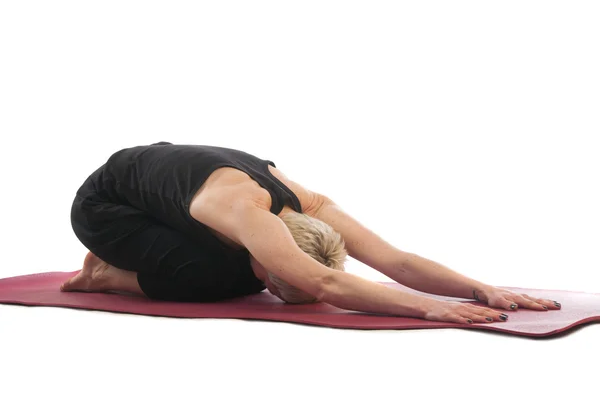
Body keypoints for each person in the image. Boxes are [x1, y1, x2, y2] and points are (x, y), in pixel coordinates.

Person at [63, 141, 561, 324]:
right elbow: (325, 285)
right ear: (271, 249)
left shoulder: (307, 205)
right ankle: (105, 276)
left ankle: (128, 266)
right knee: (225, 280)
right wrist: (429, 307)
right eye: (281, 283)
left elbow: (395, 261)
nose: (273, 290)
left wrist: (478, 288)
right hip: (109, 207)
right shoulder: (248, 213)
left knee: (239, 274)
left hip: (171, 195)